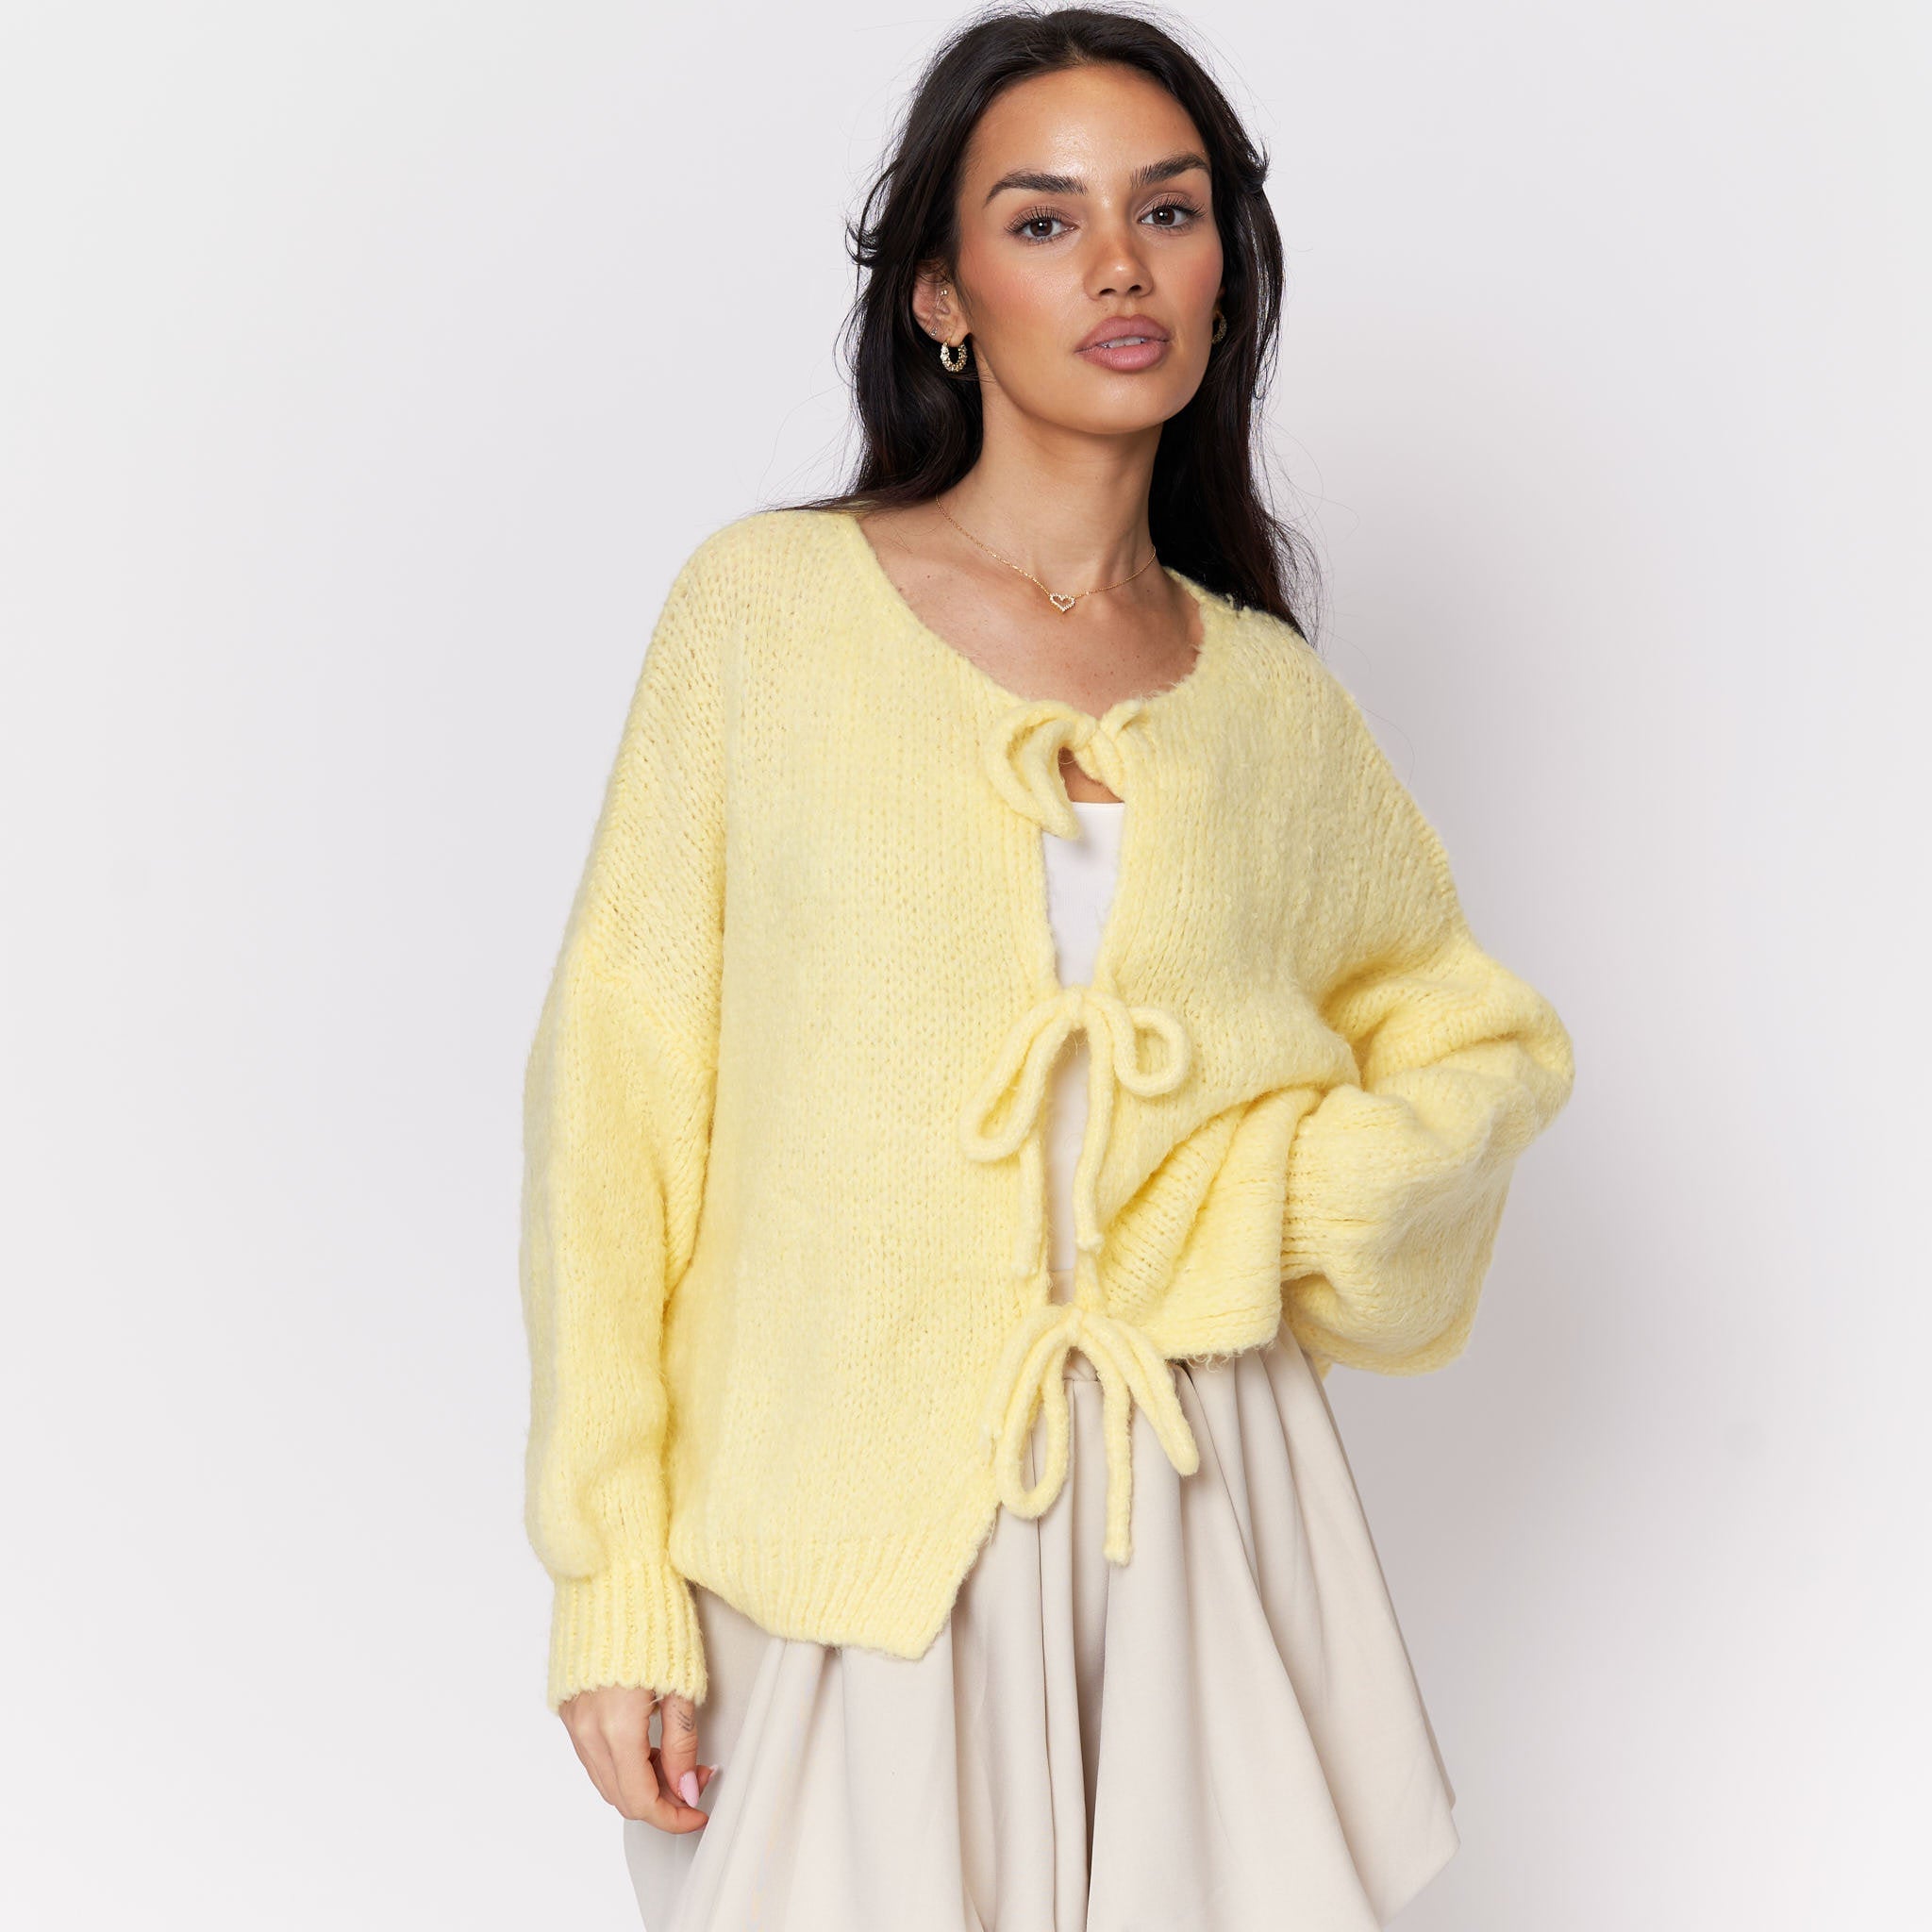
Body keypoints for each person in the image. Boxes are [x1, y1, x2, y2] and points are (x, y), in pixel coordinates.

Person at [518, 8, 1575, 1927]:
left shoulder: (1266, 702)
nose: (1117, 265)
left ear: (1224, 273)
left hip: (1193, 1501)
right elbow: (619, 1095)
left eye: (1167, 212)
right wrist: (615, 1577)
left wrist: (1304, 1189)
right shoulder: (764, 617)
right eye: (1041, 219)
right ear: (942, 295)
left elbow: (1473, 1033)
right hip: (843, 1524)